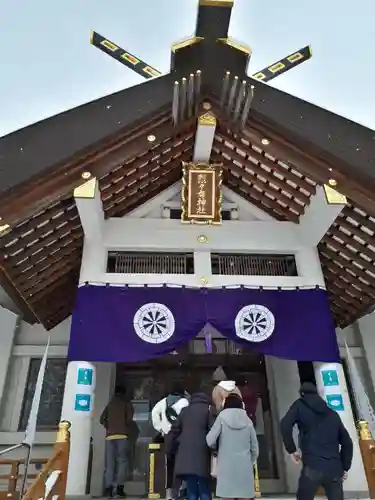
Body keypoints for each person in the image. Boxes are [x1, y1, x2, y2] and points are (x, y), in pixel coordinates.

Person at [280, 381, 353, 500]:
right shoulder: (332, 413)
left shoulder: (299, 405)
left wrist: (292, 450)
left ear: (301, 393)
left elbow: (285, 425)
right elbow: (347, 443)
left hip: (312, 465)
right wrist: (345, 466)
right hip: (334, 467)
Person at [206, 393, 259, 500]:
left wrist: (216, 450)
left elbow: (209, 440)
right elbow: (254, 447)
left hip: (226, 466)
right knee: (244, 496)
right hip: (244, 466)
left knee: (227, 496)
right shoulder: (247, 420)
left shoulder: (221, 418)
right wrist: (250, 460)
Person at [167, 389, 212, 500]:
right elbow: (212, 431)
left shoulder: (184, 411)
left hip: (185, 454)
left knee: (191, 487)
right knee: (204, 486)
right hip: (202, 453)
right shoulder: (208, 411)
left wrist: (170, 449)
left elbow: (174, 430)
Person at [151, 382, 189, 500]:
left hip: (168, 436)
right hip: (182, 436)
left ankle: (169, 493)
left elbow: (154, 415)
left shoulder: (162, 402)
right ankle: (182, 489)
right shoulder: (185, 402)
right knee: (183, 464)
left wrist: (161, 428)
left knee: (170, 465)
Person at [100, 385, 135, 498]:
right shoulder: (127, 404)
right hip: (122, 436)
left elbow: (102, 419)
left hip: (109, 437)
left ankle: (108, 489)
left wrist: (109, 427)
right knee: (122, 462)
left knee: (110, 464)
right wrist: (125, 427)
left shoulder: (110, 404)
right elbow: (129, 420)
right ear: (124, 393)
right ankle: (119, 489)